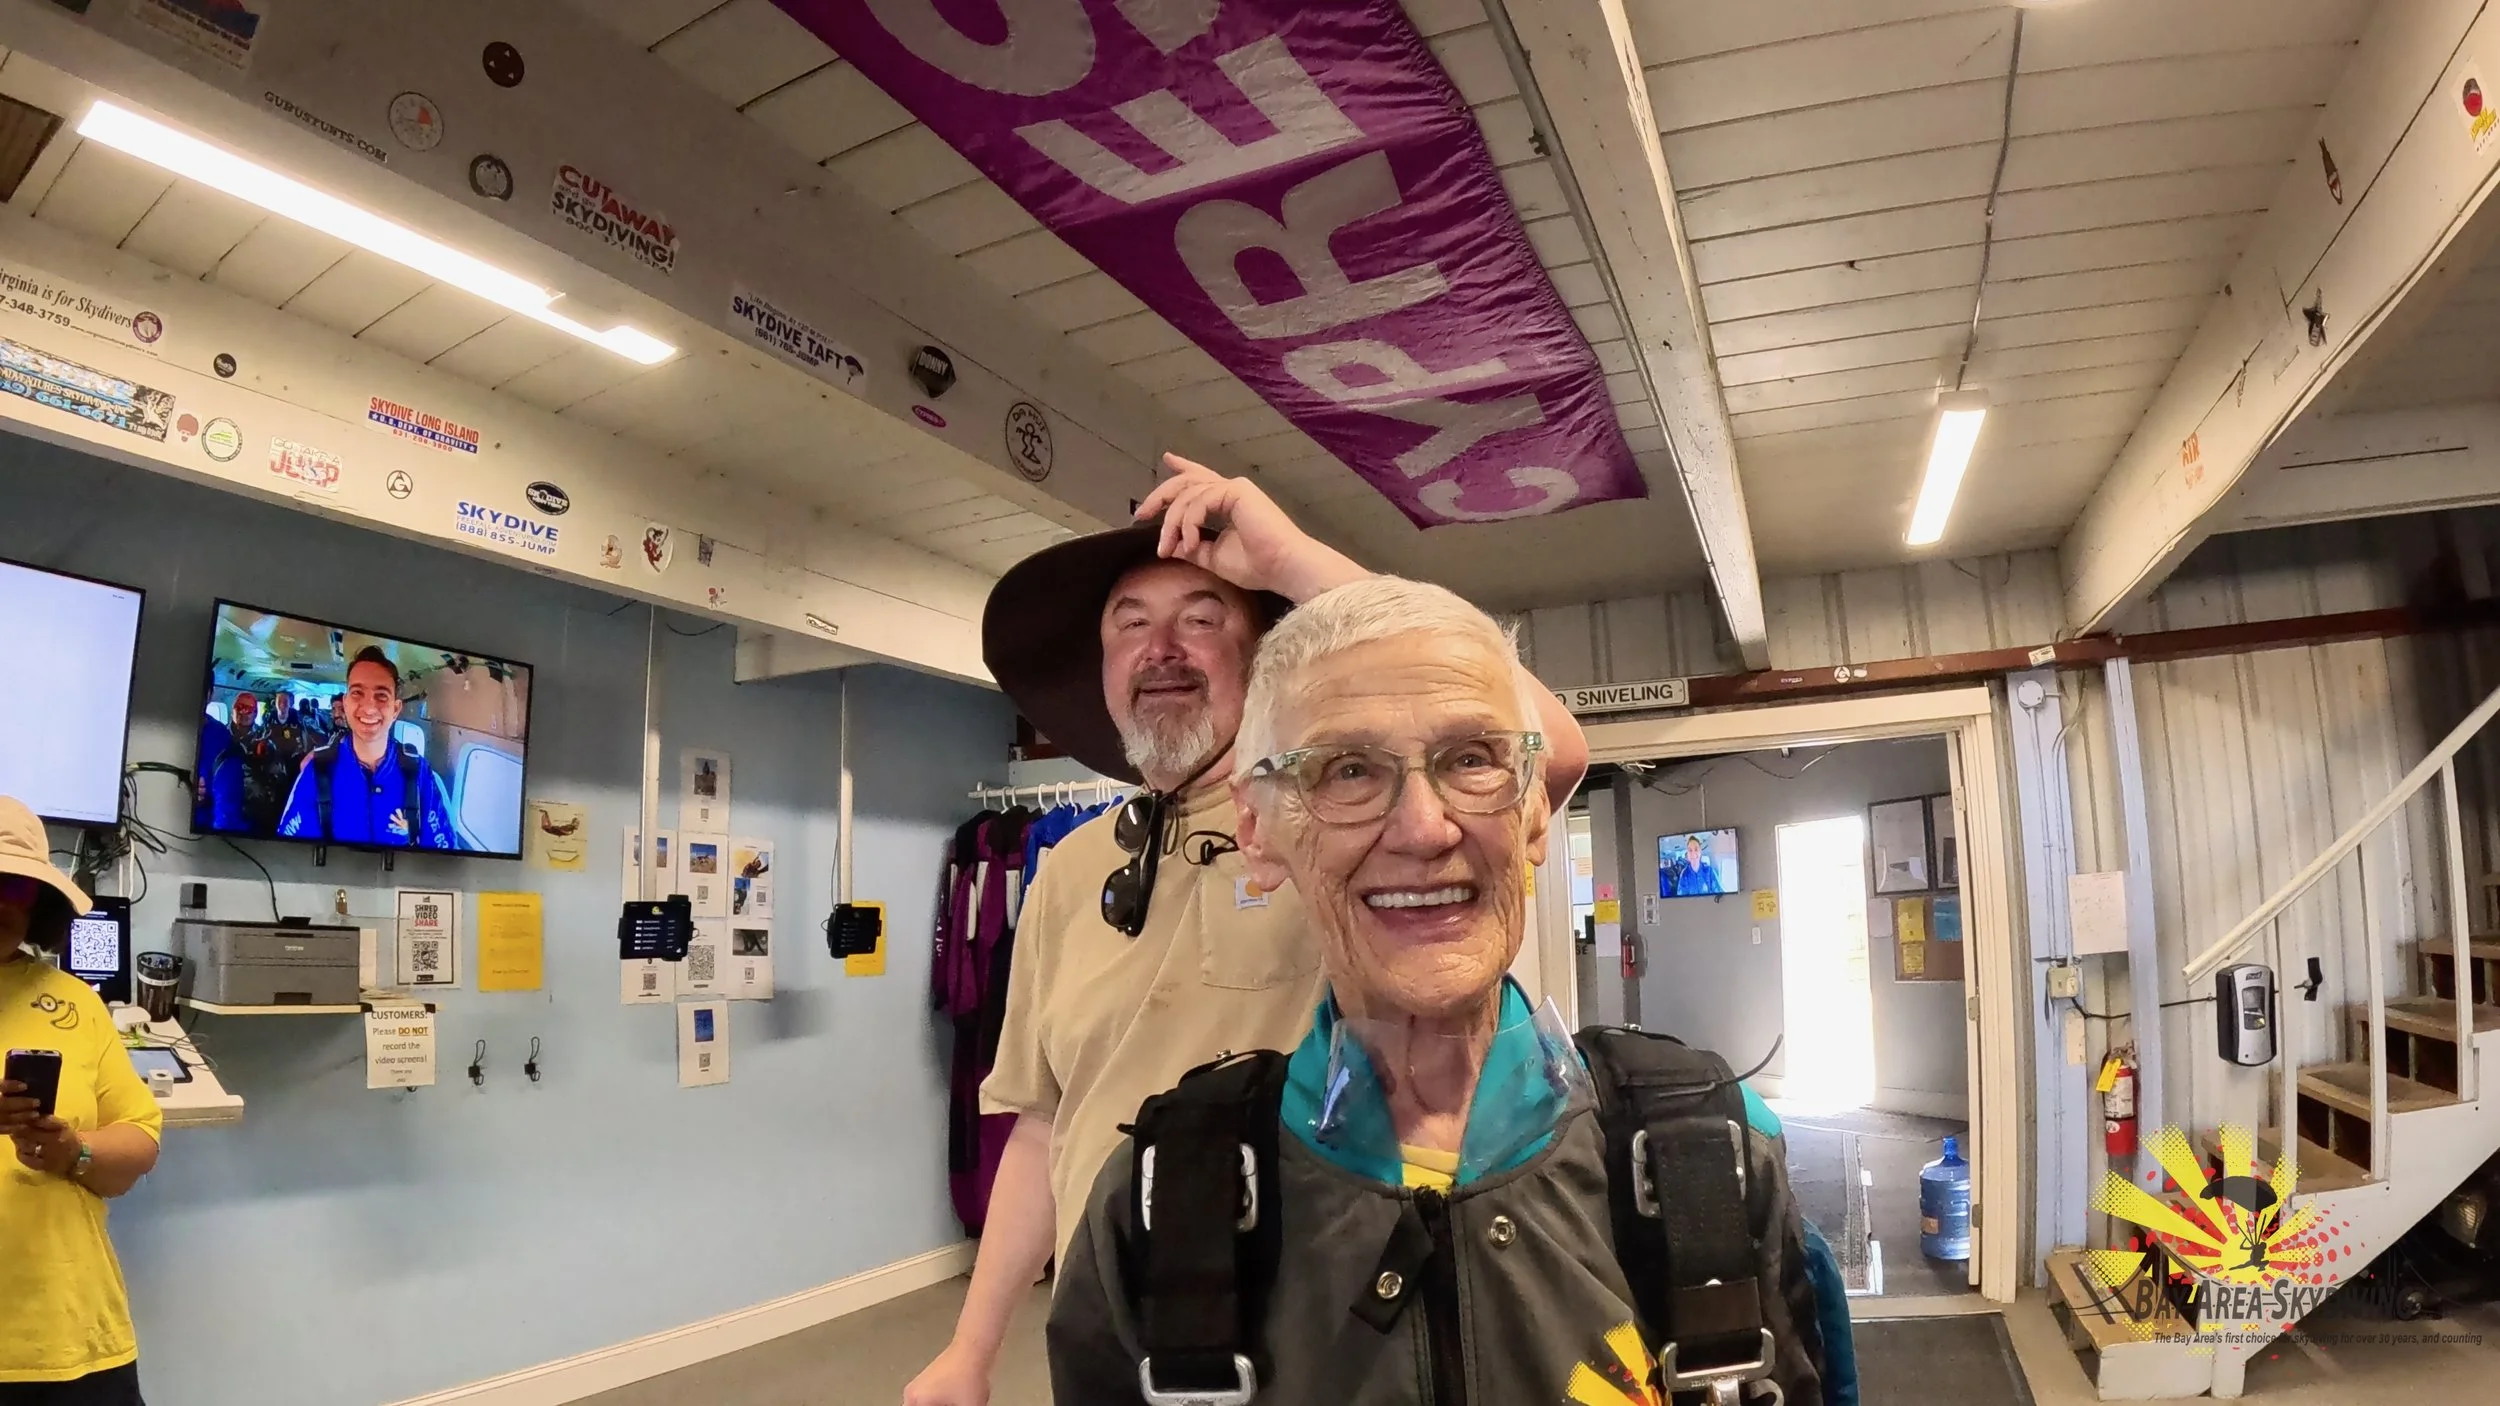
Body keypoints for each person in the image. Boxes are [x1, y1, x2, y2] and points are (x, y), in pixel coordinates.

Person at [904, 456, 1588, 1406]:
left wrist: (1291, 559)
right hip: (1118, 1324)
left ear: (1261, 660)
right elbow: (1044, 1122)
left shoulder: (1331, 824)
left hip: (1317, 1317)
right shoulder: (1067, 870)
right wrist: (970, 1351)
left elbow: (1546, 749)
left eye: (1202, 619)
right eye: (1130, 625)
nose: (1162, 649)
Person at [1047, 578, 1831, 1405]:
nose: (1424, 829)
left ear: (1534, 809)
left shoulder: (1710, 1155)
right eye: (1347, 770)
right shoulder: (1162, 1204)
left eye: (1472, 759)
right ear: (1257, 828)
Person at [0, 795, 163, 1402]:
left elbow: (139, 1140)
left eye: (16, 886)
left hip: (69, 1337)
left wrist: (75, 1151)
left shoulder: (75, 1002)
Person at [275, 647, 459, 850]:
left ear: (395, 709)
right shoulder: (317, 771)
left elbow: (443, 854)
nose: (369, 708)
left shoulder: (419, 773)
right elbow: (290, 854)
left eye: (381, 695)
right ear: (346, 703)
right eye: (357, 693)